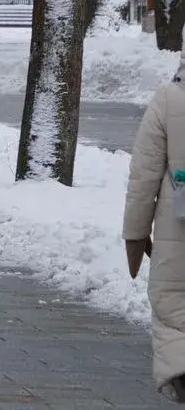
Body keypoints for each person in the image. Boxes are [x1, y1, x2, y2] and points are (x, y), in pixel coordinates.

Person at [124, 51, 185, 402]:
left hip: (176, 243)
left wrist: (135, 235)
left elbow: (143, 178)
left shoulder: (168, 99)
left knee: (176, 314)